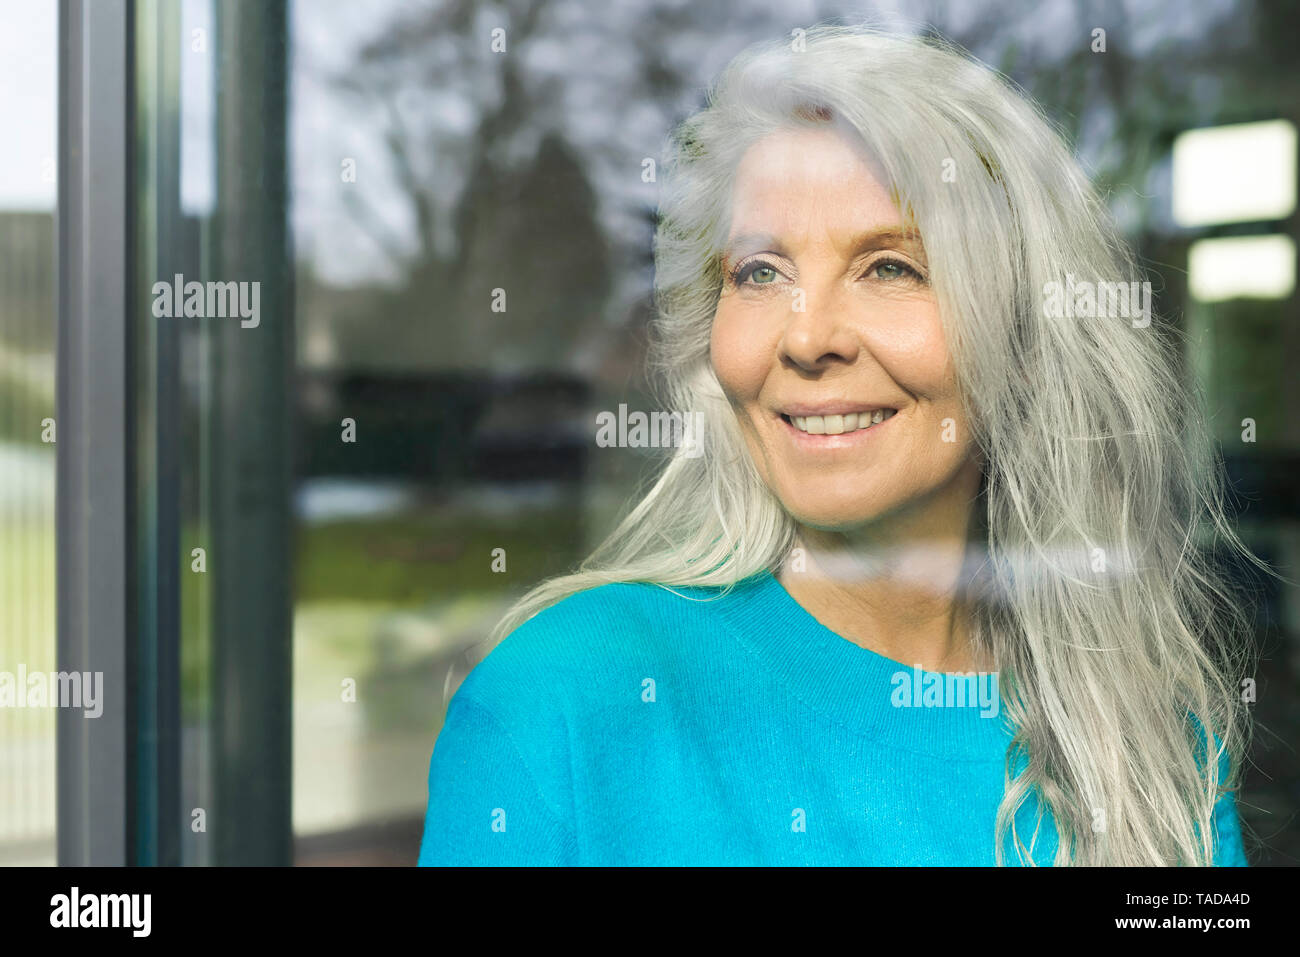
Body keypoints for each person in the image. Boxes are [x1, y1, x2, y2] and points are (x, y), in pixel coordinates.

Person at [418, 24, 1263, 866]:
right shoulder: (561, 703)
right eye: (759, 272)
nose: (806, 335)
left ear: (1025, 335)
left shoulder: (1149, 744)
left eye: (890, 266)